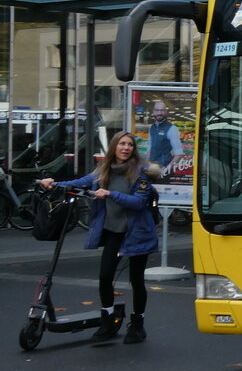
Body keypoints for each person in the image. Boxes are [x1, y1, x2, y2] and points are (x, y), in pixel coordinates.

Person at [39, 132, 160, 344]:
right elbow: (82, 182)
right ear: (114, 147)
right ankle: (108, 320)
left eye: (130, 145)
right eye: (122, 144)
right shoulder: (104, 169)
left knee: (136, 280)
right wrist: (55, 184)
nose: (126, 148)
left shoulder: (142, 172)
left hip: (137, 232)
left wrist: (111, 194)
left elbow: (139, 202)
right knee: (105, 276)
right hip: (114, 231)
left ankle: (137, 325)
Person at [148, 100, 184, 176]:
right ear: (153, 112)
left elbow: (179, 154)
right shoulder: (152, 128)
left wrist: (166, 170)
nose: (159, 113)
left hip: (164, 171)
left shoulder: (172, 129)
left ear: (166, 112)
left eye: (162, 110)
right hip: (152, 170)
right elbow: (149, 150)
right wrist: (147, 166)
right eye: (157, 110)